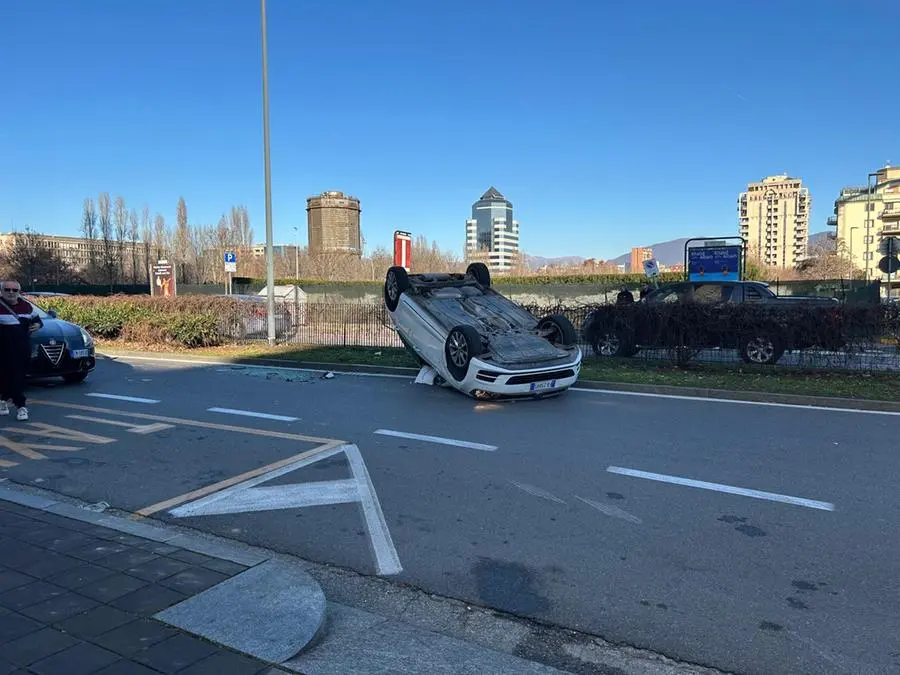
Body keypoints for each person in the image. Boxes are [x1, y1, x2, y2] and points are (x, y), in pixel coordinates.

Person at [0, 281, 42, 420]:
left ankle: (3, 400)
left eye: (14, 290)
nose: (11, 292)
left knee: (18, 377)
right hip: (3, 350)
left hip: (22, 349)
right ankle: (21, 406)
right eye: (7, 289)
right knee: (9, 377)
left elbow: (37, 320)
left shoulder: (27, 306)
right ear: (1, 291)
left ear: (19, 292)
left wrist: (37, 325)